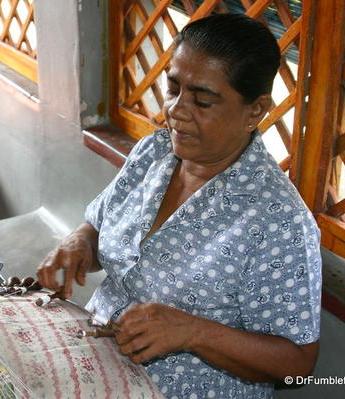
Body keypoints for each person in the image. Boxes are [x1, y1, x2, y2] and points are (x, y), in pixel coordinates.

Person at [38, 13, 321, 399]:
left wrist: (194, 331)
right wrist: (79, 244)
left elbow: (297, 366)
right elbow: (99, 226)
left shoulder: (277, 220)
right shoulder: (154, 152)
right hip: (99, 360)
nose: (176, 110)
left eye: (202, 100)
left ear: (255, 111)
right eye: (173, 89)